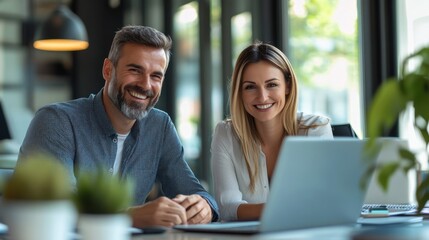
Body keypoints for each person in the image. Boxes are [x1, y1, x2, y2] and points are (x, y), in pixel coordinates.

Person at [18, 25, 218, 227]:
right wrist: (131, 217)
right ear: (107, 70)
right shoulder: (56, 121)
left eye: (156, 76)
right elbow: (55, 210)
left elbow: (194, 191)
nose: (145, 85)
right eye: (134, 70)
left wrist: (204, 207)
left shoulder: (160, 126)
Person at [211, 42, 333, 221]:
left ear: (288, 86)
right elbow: (227, 208)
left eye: (272, 85)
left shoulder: (316, 130)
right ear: (240, 92)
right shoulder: (226, 133)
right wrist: (284, 209)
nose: (262, 97)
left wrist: (255, 211)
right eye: (250, 87)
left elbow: (322, 203)